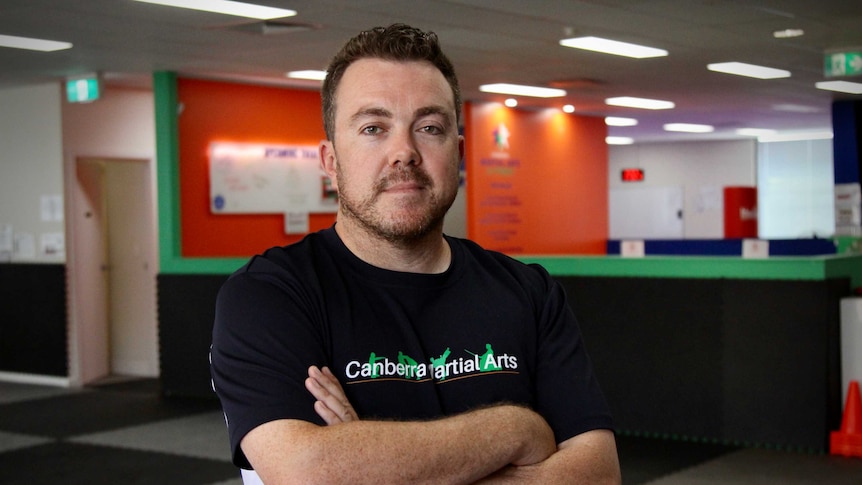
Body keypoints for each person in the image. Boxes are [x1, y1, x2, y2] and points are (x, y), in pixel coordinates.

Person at [210, 23, 621, 484]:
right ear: (330, 161)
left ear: (459, 153)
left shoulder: (530, 293)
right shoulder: (270, 296)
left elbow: (598, 475)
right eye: (373, 128)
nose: (403, 151)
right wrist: (516, 429)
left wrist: (370, 458)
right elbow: (309, 472)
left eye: (429, 127)